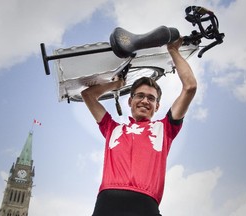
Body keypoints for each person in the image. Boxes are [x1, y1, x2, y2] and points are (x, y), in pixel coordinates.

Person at [81, 38, 197, 216]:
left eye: (151, 98)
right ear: (130, 101)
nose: (144, 100)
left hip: (145, 204)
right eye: (140, 96)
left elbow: (190, 87)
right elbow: (88, 95)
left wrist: (173, 50)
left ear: (157, 106)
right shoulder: (111, 128)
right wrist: (117, 85)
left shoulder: (165, 129)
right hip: (107, 202)